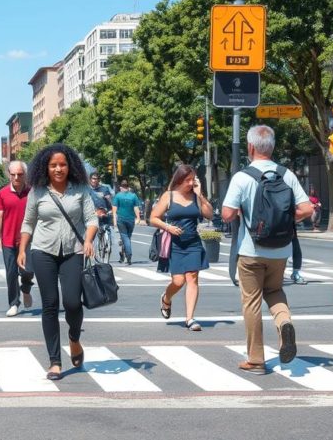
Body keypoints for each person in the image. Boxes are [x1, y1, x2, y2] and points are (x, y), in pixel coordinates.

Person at [221, 125, 314, 374]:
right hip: (281, 250)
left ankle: (256, 359)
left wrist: (242, 209)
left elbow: (227, 214)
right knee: (274, 291)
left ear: (250, 147)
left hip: (251, 250)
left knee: (251, 302)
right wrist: (283, 219)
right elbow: (307, 210)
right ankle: (284, 324)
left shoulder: (242, 177)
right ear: (271, 147)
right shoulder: (287, 175)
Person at [19, 144, 98, 381]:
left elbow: (91, 218)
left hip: (74, 251)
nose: (58, 169)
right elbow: (28, 222)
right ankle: (55, 361)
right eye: (53, 165)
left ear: (70, 165)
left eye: (62, 164)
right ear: (46, 167)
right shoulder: (37, 192)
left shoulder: (81, 189)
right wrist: (23, 249)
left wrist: (89, 239)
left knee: (73, 302)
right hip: (43, 251)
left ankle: (74, 338)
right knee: (50, 304)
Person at [151, 164, 213, 331]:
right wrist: (168, 227)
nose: (191, 183)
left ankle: (190, 318)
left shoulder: (196, 196)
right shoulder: (168, 196)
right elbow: (153, 218)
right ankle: (166, 298)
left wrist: (200, 195)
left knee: (192, 278)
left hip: (193, 243)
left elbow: (209, 214)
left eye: (193, 179)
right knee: (178, 281)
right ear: (179, 180)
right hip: (175, 244)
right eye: (188, 180)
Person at [0, 160, 34, 317]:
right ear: (9, 175)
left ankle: (26, 288)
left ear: (25, 175)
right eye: (13, 174)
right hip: (8, 240)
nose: (16, 177)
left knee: (28, 270)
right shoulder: (2, 193)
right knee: (11, 273)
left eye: (20, 174)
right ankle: (14, 303)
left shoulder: (32, 192)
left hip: (29, 240)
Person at [112, 179, 144, 265]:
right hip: (131, 220)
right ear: (128, 187)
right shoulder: (133, 196)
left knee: (124, 237)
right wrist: (138, 218)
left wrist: (114, 222)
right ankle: (125, 253)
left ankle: (128, 254)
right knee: (128, 237)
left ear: (121, 187)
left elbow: (114, 210)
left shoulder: (118, 196)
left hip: (121, 219)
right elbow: (136, 208)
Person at [87, 172, 115, 262]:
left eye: (97, 179)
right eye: (93, 178)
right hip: (92, 214)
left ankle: (107, 245)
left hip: (104, 213)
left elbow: (109, 199)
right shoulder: (87, 190)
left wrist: (111, 210)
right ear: (90, 179)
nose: (95, 180)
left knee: (108, 230)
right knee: (91, 235)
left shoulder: (104, 189)